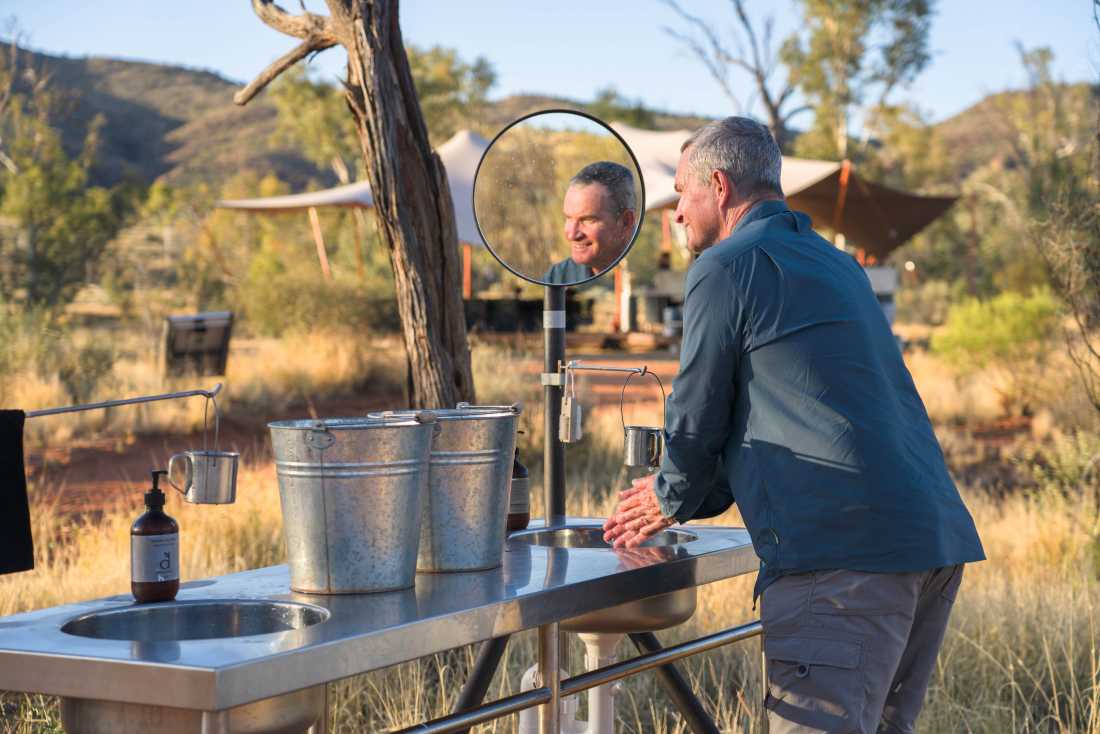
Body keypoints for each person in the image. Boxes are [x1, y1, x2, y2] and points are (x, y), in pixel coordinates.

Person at [602, 117, 984, 733]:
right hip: (930, 539)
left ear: (719, 186)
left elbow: (698, 413)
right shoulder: (838, 266)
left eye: (682, 194)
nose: (676, 213)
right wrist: (692, 494)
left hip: (844, 560)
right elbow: (796, 411)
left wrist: (669, 495)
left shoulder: (725, 266)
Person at [542, 161, 636, 285]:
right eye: (568, 218)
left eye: (587, 220)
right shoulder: (558, 277)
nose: (571, 235)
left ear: (625, 222)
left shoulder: (645, 275)